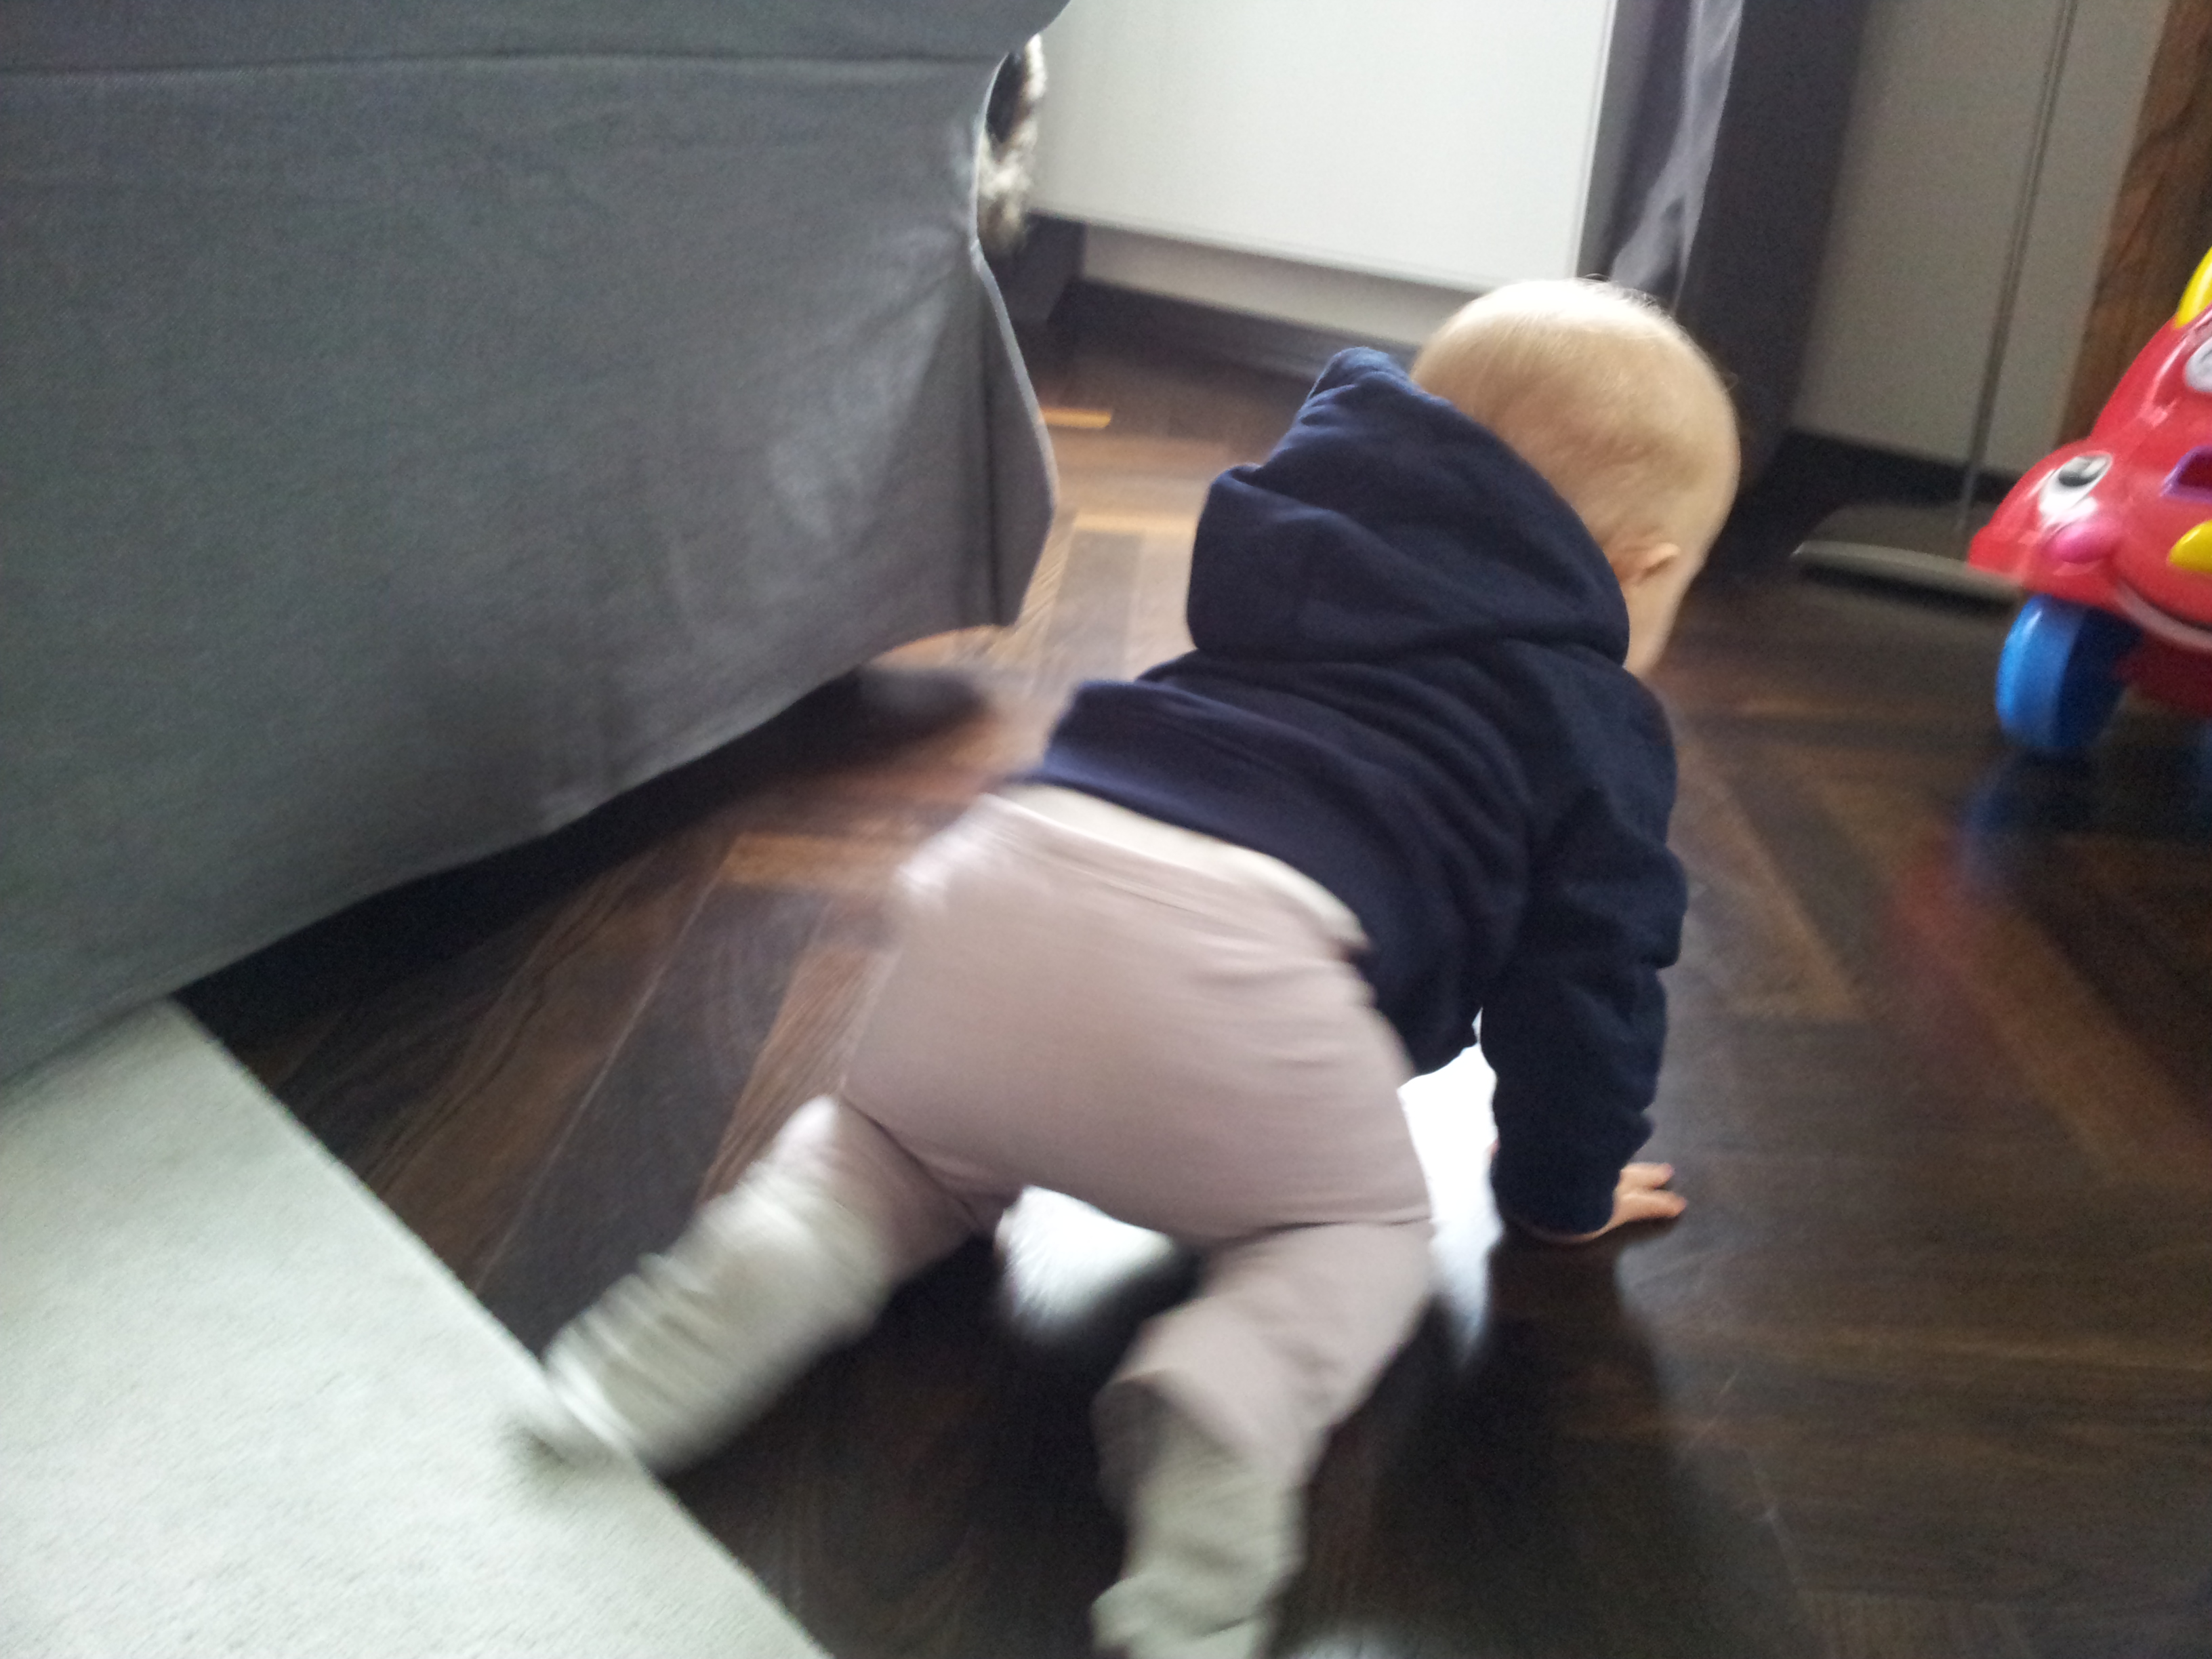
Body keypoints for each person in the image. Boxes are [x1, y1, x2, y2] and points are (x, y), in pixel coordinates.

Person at [532, 279, 1740, 1658]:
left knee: (891, 1153)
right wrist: (1562, 1192)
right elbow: (1588, 985)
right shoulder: (1591, 717)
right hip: (1244, 985)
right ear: (1639, 566)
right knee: (1355, 1239)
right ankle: (1221, 1403)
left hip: (1009, 879)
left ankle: (758, 1269)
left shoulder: (1299, 554)